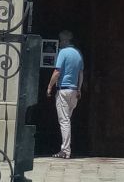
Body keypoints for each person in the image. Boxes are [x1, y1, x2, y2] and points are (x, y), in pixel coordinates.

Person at [47, 29, 85, 159]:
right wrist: (79, 89)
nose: (59, 42)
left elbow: (57, 72)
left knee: (64, 121)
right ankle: (66, 148)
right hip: (74, 91)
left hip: (63, 90)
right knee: (67, 120)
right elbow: (81, 73)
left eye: (60, 40)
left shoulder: (63, 52)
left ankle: (65, 150)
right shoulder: (78, 53)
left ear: (64, 40)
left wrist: (49, 86)